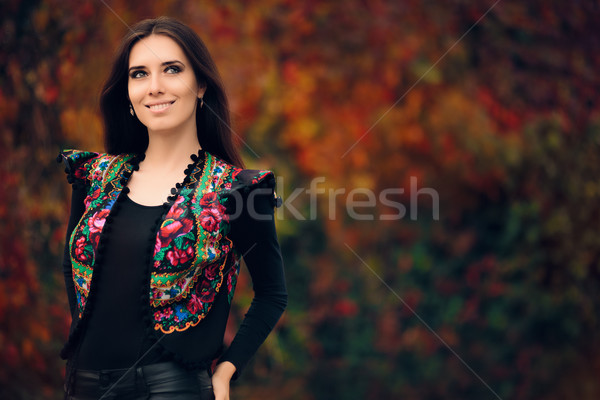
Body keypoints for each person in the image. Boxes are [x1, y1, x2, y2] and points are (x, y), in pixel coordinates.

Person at [57, 16, 287, 400]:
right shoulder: (95, 178)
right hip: (83, 386)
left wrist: (226, 372)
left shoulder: (236, 191)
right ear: (127, 93)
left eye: (172, 69)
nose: (155, 87)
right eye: (139, 74)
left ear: (201, 86)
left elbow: (271, 294)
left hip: (172, 388)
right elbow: (72, 265)